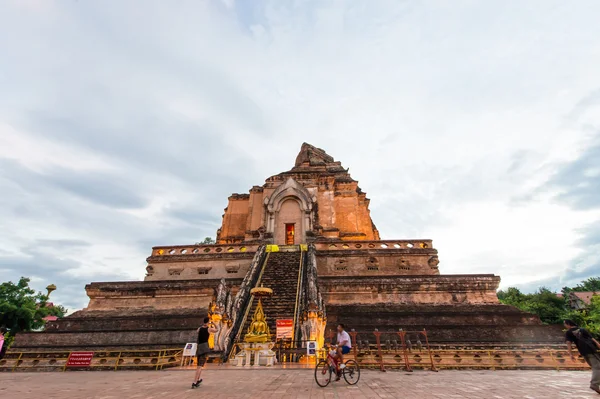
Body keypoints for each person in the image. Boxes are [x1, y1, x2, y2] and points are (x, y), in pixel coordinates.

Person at [564, 319, 600, 394]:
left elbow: (568, 343)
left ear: (568, 324)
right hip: (590, 349)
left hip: (583, 351)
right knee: (597, 367)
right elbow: (592, 338)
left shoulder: (568, 332)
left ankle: (596, 383)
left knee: (595, 368)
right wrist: (598, 345)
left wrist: (570, 354)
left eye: (565, 324)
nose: (565, 326)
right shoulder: (582, 329)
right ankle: (594, 384)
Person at [191, 317, 217, 389]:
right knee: (199, 366)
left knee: (199, 364)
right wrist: (213, 323)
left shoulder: (199, 329)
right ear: (208, 322)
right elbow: (217, 330)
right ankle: (195, 382)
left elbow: (197, 332)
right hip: (204, 348)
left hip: (199, 348)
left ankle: (198, 379)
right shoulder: (209, 329)